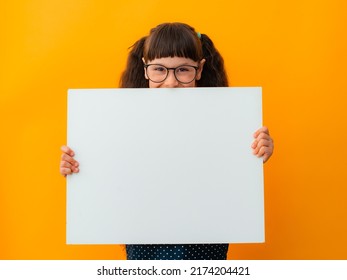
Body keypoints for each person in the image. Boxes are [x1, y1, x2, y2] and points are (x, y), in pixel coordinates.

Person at [60, 22, 274, 260]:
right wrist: (79, 167)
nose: (171, 82)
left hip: (205, 237)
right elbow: (113, 170)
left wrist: (256, 155)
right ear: (145, 69)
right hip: (145, 235)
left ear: (200, 69)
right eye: (159, 69)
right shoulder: (122, 123)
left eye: (183, 70)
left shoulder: (222, 120)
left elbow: (226, 169)